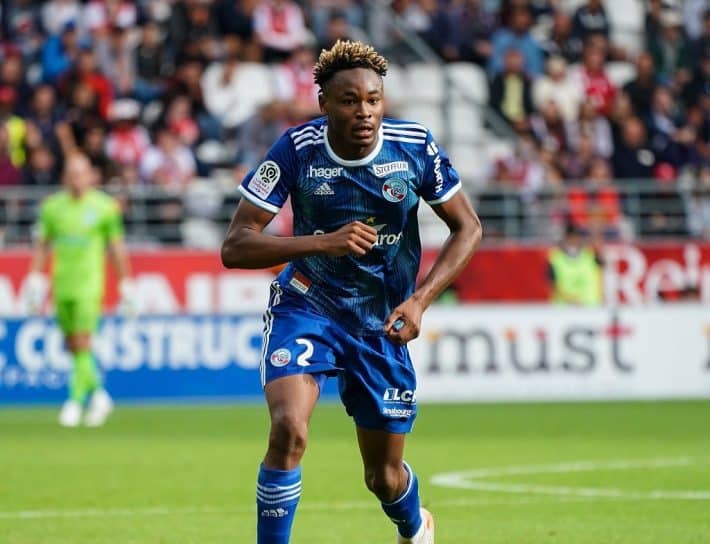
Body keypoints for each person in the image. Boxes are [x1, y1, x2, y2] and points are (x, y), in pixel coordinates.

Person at [220, 40, 482, 544]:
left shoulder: (413, 146)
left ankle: (415, 526)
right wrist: (322, 243)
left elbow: (468, 227)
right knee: (289, 430)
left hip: (381, 322)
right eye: (349, 100)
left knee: (383, 477)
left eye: (373, 99)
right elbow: (236, 245)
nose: (364, 111)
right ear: (324, 103)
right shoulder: (297, 150)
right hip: (307, 305)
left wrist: (420, 301)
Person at [25, 152, 136, 427]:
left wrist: (126, 282)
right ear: (65, 176)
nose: (76, 179)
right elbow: (43, 245)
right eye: (72, 174)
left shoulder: (104, 207)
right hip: (62, 283)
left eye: (81, 174)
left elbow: (116, 248)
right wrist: (35, 279)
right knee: (72, 344)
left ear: (90, 176)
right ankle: (98, 394)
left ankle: (74, 401)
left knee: (83, 340)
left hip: (89, 284)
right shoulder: (53, 208)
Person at [547, 222, 603, 305]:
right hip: (564, 308)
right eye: (570, 238)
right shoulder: (555, 258)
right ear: (565, 239)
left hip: (590, 307)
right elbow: (552, 283)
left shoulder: (590, 255)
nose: (573, 241)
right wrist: (569, 299)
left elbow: (601, 271)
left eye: (575, 237)